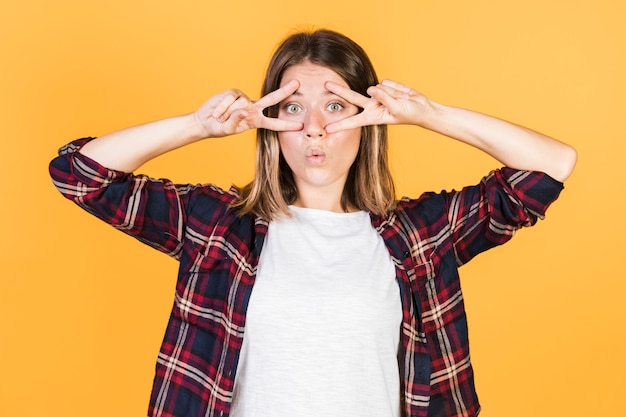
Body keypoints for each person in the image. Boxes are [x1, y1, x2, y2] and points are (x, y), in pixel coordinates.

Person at [49, 29, 577, 417]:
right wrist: (196, 126)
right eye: (294, 108)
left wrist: (428, 115)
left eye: (335, 106)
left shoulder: (420, 235)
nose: (315, 128)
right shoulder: (217, 228)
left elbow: (551, 167)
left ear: (368, 121)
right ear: (271, 125)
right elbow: (78, 175)